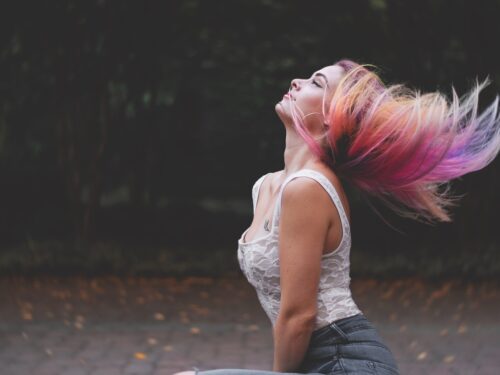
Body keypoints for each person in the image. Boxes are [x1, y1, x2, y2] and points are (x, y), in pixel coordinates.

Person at [173, 59, 500, 375]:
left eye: (316, 82)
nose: (296, 82)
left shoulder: (308, 188)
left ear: (332, 117)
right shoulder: (267, 186)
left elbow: (298, 316)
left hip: (348, 362)